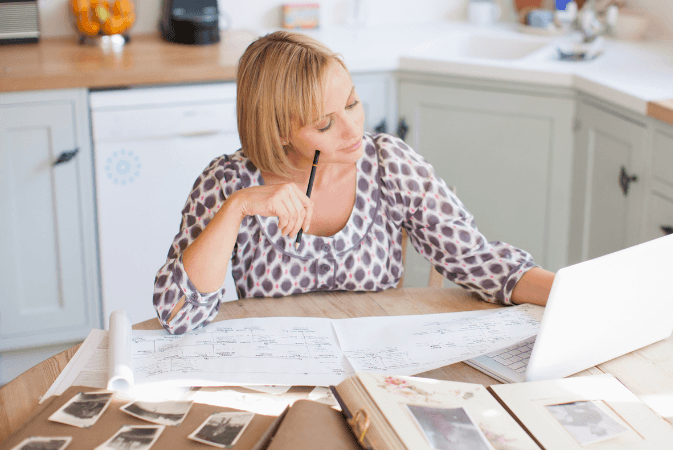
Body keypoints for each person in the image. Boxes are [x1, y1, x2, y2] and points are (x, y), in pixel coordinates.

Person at [152, 31, 555, 335]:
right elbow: (178, 314)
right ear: (279, 133)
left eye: (352, 104)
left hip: (379, 362)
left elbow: (478, 261)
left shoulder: (389, 164)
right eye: (325, 124)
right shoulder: (227, 182)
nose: (353, 131)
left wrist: (574, 295)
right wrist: (237, 207)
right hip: (278, 375)